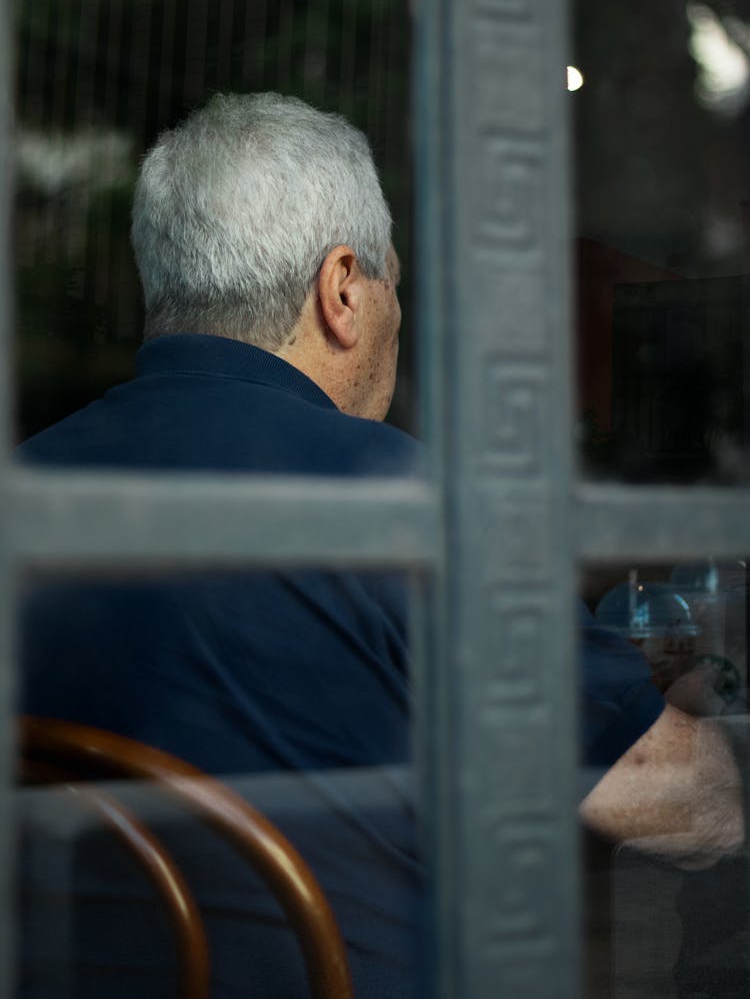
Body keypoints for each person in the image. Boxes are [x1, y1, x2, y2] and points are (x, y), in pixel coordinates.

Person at [15, 93, 743, 996]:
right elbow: (686, 802)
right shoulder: (393, 498)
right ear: (345, 288)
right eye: (394, 282)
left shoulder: (28, 483)